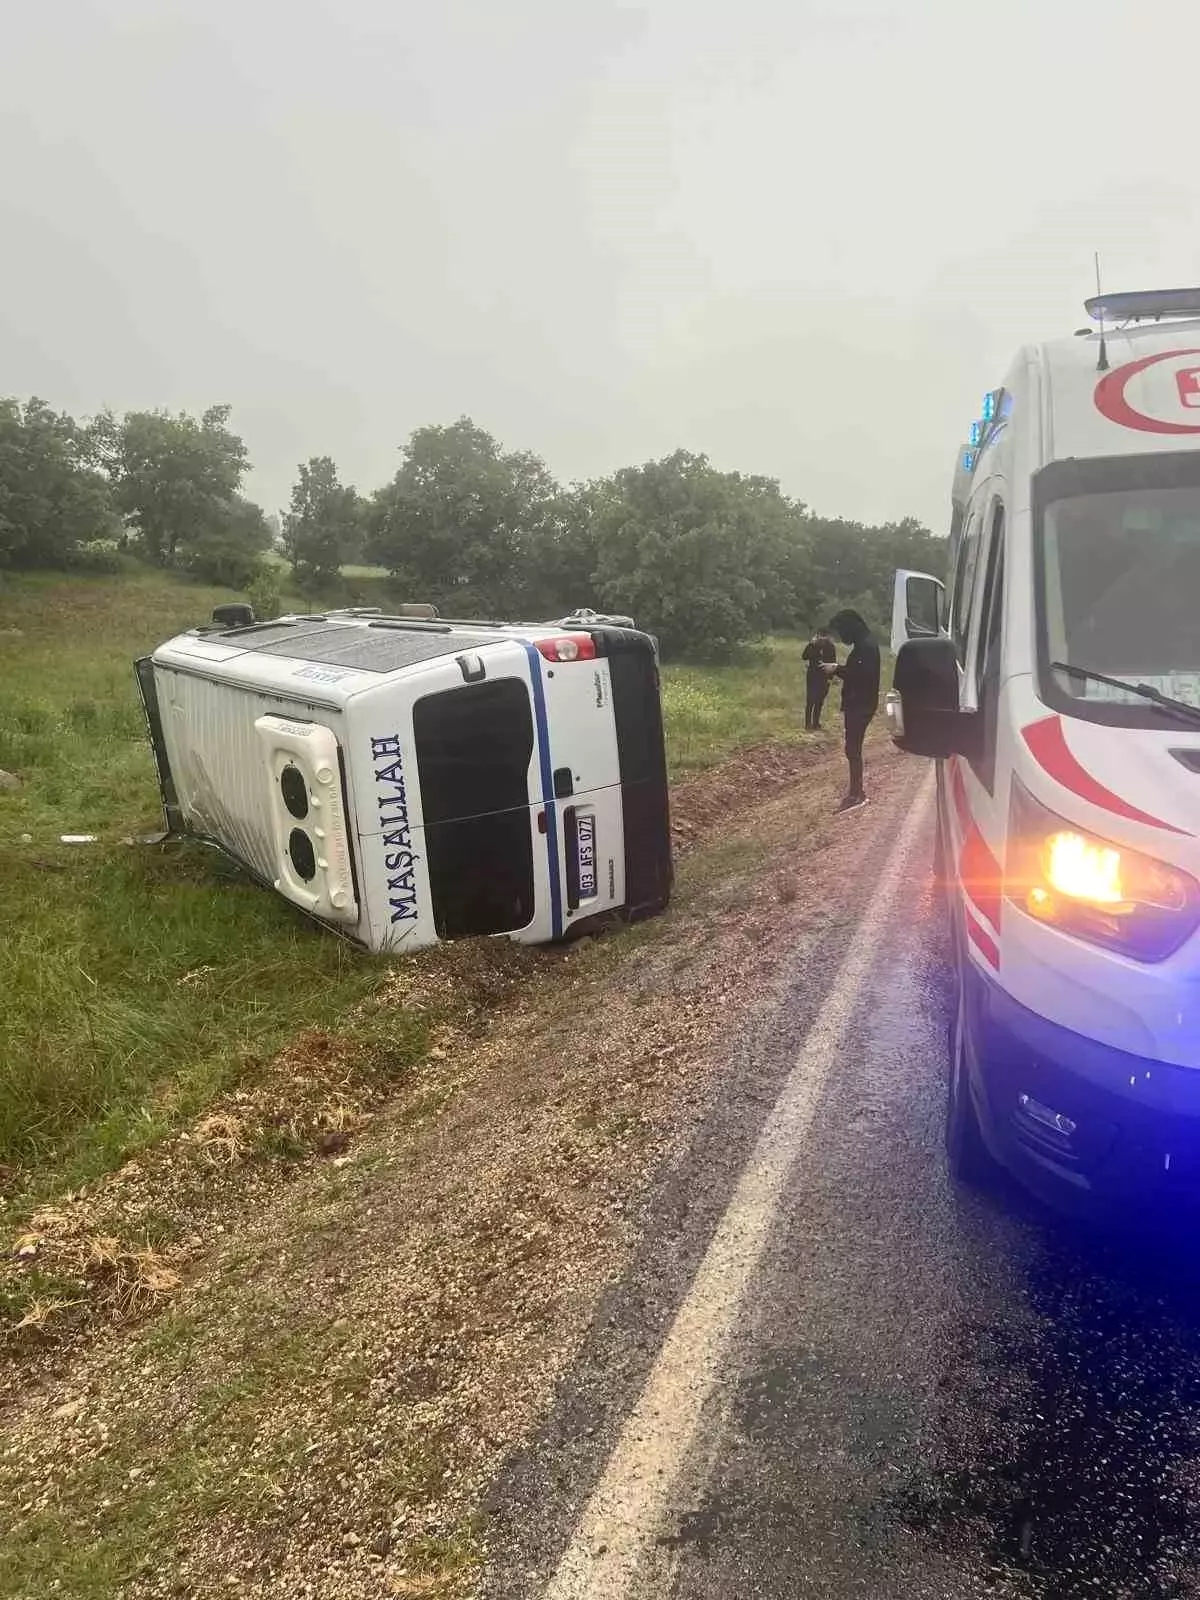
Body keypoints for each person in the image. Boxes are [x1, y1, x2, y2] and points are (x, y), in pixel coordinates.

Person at [823, 609, 881, 813]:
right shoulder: (865, 643)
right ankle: (855, 792)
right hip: (860, 703)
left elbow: (859, 675)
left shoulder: (866, 647)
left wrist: (836, 669)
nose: (841, 637)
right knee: (852, 749)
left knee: (853, 749)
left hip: (861, 705)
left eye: (841, 631)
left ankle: (857, 795)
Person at [801, 629, 837, 729]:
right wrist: (810, 644)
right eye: (819, 636)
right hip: (812, 675)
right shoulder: (813, 645)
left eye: (823, 636)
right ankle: (808, 724)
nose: (821, 638)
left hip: (824, 676)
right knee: (810, 700)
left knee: (820, 700)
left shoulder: (830, 647)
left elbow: (832, 662)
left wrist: (831, 678)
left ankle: (816, 723)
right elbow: (804, 656)